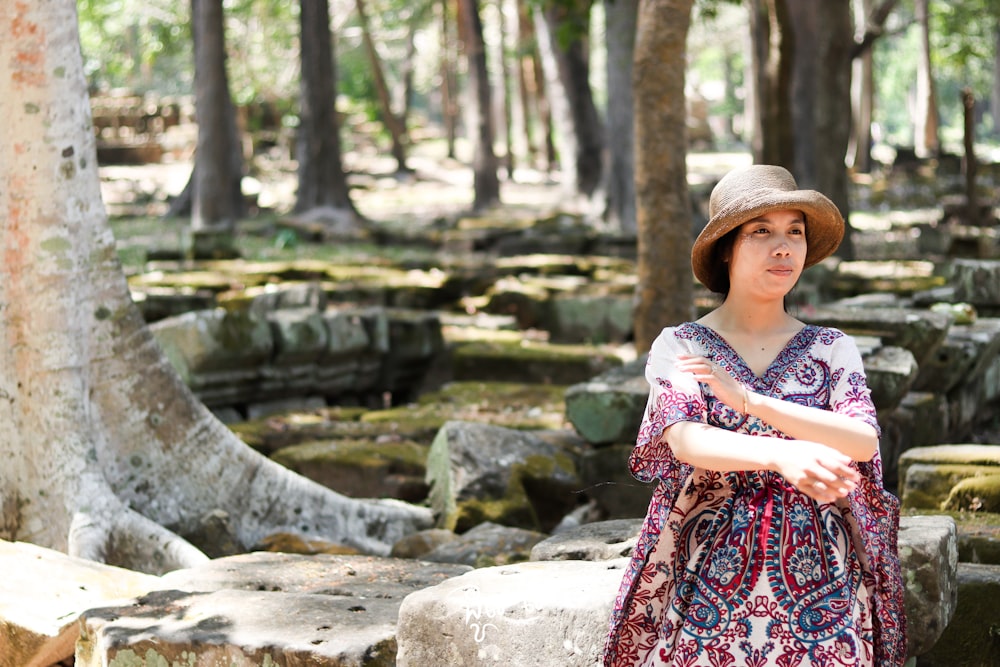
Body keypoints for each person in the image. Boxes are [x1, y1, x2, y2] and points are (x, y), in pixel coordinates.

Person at [602, 165, 907, 667]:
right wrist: (780, 455)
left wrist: (752, 401)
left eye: (795, 232)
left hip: (821, 568)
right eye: (761, 232)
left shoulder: (831, 348)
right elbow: (684, 439)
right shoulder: (680, 343)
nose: (782, 247)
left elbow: (861, 441)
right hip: (710, 560)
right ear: (726, 248)